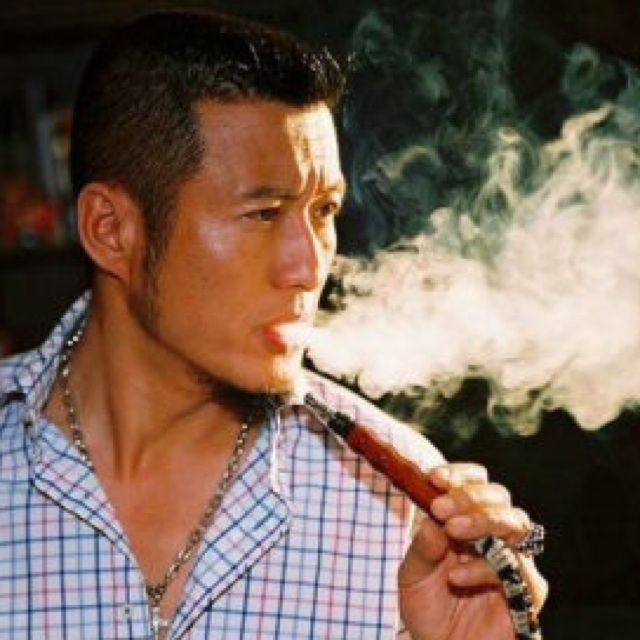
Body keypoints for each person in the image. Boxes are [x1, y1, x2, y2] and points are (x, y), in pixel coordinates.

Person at [0, 10, 546, 640]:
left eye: (324, 210)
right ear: (111, 230)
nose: (309, 267)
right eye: (263, 214)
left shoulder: (407, 515)